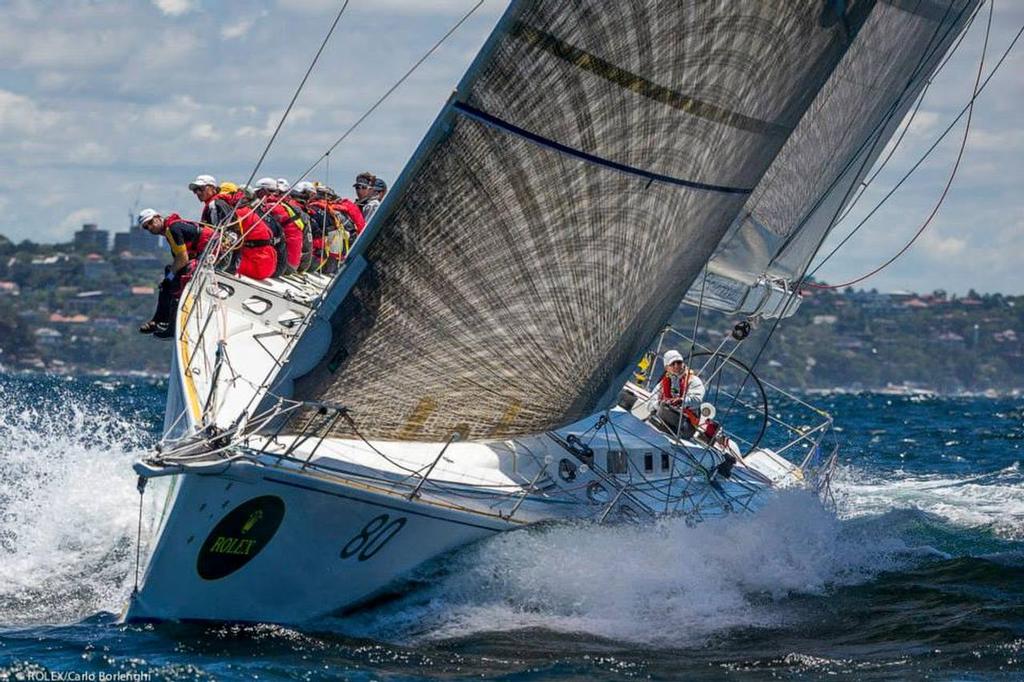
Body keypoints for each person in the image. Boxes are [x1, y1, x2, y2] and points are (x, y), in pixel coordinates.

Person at [137, 208, 214, 338]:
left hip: (212, 250)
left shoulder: (172, 229)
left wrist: (169, 277)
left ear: (157, 217)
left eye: (150, 223)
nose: (150, 228)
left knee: (173, 282)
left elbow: (183, 258)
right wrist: (169, 276)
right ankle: (160, 320)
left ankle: (170, 325)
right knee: (169, 278)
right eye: (146, 227)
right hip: (205, 251)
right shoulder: (171, 228)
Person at [657, 349, 706, 438]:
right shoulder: (663, 382)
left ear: (683, 363)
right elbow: (654, 399)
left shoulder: (693, 380)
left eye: (679, 362)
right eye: (673, 364)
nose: (676, 366)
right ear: (666, 367)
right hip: (666, 417)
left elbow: (697, 400)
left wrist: (682, 401)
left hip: (686, 424)